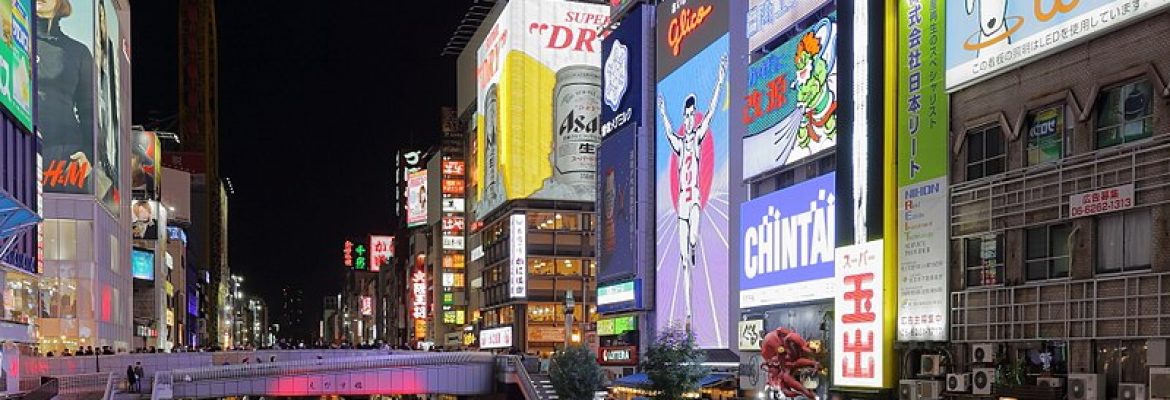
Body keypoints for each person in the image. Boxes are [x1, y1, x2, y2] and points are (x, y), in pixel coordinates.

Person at [656, 54, 727, 330]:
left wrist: (720, 79)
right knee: (684, 259)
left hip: (694, 198)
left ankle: (694, 249)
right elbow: (665, 131)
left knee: (693, 240)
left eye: (689, 115)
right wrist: (662, 110)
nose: (687, 119)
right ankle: (687, 311)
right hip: (681, 206)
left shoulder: (696, 138)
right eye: (685, 116)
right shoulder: (678, 141)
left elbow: (710, 112)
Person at [36, 0, 96, 194]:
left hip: (63, 156)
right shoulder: (10, 39)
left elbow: (90, 112)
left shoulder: (78, 52)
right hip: (14, 145)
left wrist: (89, 154)